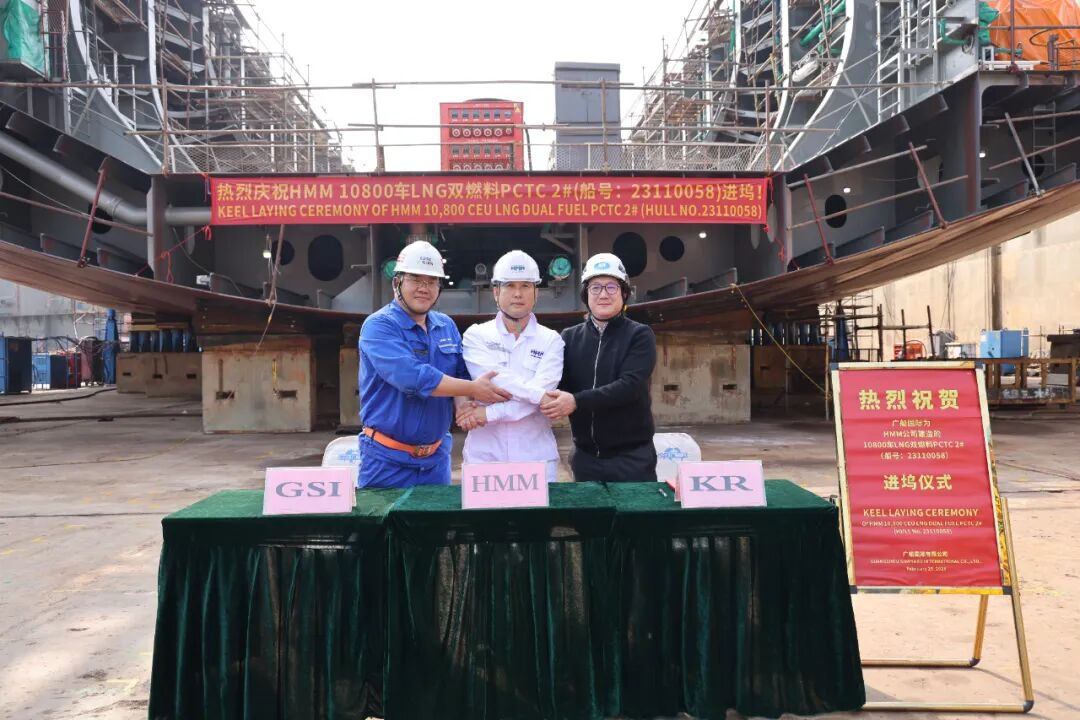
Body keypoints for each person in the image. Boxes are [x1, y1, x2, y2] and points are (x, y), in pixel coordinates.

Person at [357, 240, 511, 488]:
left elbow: (459, 373)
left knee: (437, 516)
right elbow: (412, 377)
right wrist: (473, 389)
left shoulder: (445, 326)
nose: (424, 288)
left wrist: (463, 406)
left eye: (431, 281)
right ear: (397, 283)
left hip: (436, 462)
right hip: (386, 462)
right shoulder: (379, 326)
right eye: (415, 279)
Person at [540, 253, 658, 483]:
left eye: (611, 287)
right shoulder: (569, 337)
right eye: (595, 288)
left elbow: (630, 386)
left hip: (632, 459)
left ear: (624, 293)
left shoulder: (639, 335)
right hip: (585, 459)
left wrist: (576, 401)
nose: (603, 294)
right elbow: (555, 382)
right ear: (586, 294)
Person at [459, 250, 565, 482]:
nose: (518, 294)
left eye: (526, 286)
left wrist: (487, 413)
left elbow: (538, 399)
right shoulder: (476, 336)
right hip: (484, 458)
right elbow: (500, 382)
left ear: (536, 292)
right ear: (496, 291)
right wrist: (538, 396)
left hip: (536, 458)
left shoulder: (551, 340)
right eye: (509, 286)